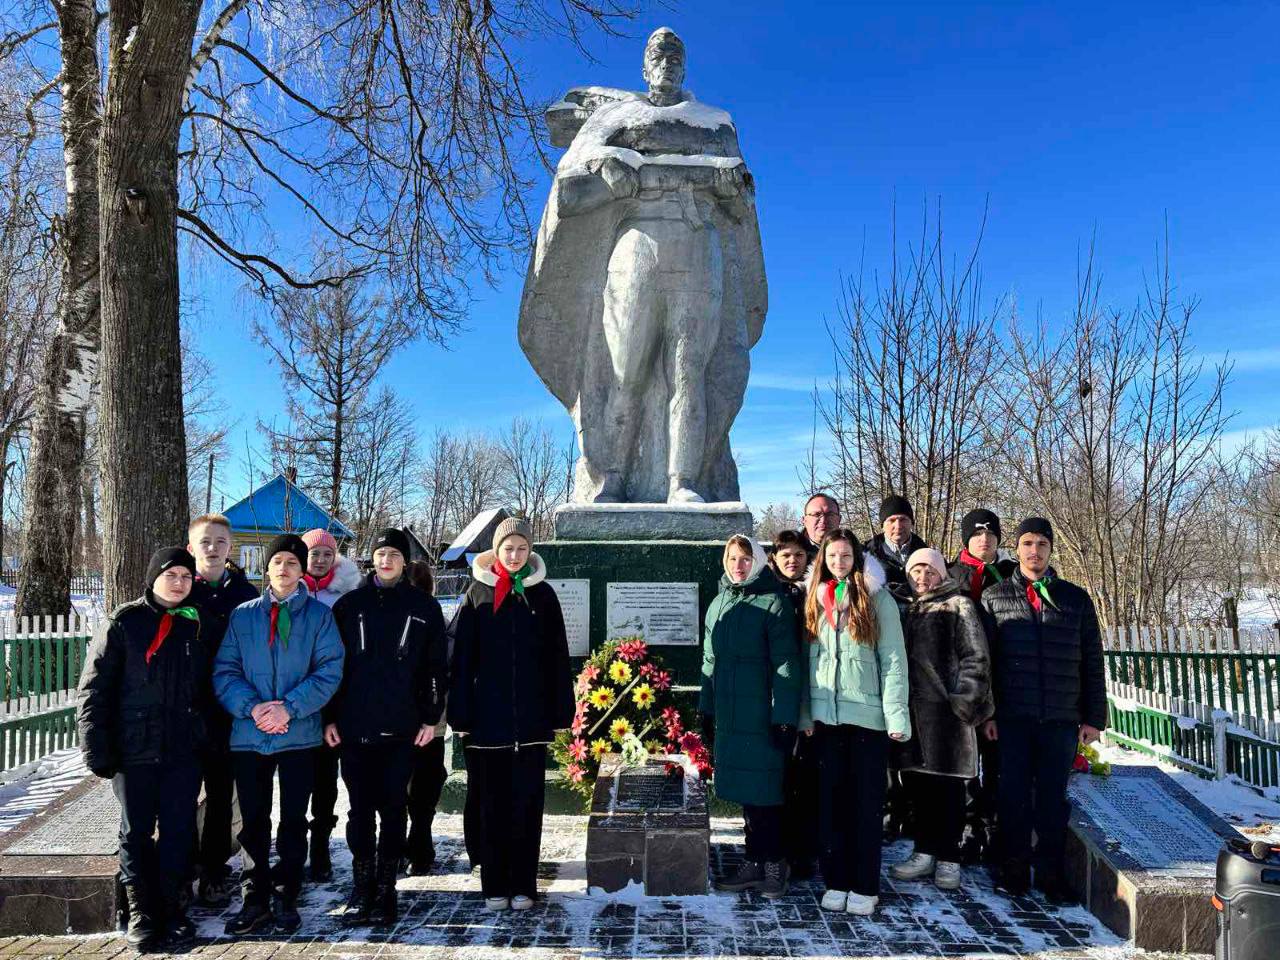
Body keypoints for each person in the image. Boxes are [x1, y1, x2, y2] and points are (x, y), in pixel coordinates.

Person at [77, 548, 209, 952]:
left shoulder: (196, 624)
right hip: (134, 749)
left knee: (177, 831)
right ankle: (141, 911)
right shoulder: (124, 622)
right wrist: (94, 744)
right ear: (154, 578)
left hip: (182, 750)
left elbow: (209, 686)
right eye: (172, 575)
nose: (179, 583)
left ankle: (171, 907)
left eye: (187, 577)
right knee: (135, 833)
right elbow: (94, 687)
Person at [214, 534, 345, 935]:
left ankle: (287, 892)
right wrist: (254, 709)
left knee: (292, 819)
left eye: (292, 562)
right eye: (278, 562)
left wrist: (289, 707)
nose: (284, 569)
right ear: (266, 569)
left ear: (302, 569)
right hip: (250, 735)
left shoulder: (320, 618)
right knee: (253, 819)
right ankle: (254, 897)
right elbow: (225, 670)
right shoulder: (243, 616)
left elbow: (329, 669)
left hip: (298, 735)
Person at [448, 518, 574, 911]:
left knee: (527, 805)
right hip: (488, 724)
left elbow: (557, 655)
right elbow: (461, 659)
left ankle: (524, 884)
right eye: (508, 548)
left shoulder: (544, 596)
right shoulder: (478, 594)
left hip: (531, 724)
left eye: (522, 548)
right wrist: (461, 713)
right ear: (496, 551)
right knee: (492, 806)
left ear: (530, 551)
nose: (515, 555)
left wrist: (559, 709)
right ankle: (494, 886)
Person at [981, 517, 1107, 903]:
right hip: (1012, 719)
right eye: (1027, 544)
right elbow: (984, 662)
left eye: (1041, 544)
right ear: (1015, 550)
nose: (1034, 551)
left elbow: (1092, 659)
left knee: (1053, 801)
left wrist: (1094, 717)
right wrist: (987, 713)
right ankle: (1013, 870)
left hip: (1060, 718)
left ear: (1051, 550)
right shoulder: (995, 598)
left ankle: (1051, 875)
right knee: (1013, 797)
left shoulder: (1075, 598)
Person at [327, 529, 448, 926]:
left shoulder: (424, 607)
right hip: (354, 726)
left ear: (406, 561)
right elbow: (332, 668)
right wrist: (329, 716)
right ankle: (362, 887)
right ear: (371, 560)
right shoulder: (349, 606)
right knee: (360, 811)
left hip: (402, 728)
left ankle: (386, 888)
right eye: (380, 553)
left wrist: (431, 716)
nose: (386, 560)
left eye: (394, 554)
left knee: (395, 809)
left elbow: (435, 667)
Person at [799, 528, 909, 916]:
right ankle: (836, 880)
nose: (839, 564)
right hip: (826, 719)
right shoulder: (815, 600)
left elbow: (893, 661)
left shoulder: (878, 600)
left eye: (846, 557)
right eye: (832, 557)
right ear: (823, 561)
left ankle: (864, 884)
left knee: (864, 806)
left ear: (857, 559)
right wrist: (804, 714)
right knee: (831, 805)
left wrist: (896, 715)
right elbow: (805, 661)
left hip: (867, 720)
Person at [703, 534, 801, 898]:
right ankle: (754, 860)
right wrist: (706, 708)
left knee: (768, 791)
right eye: (732, 559)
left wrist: (784, 716)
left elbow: (786, 665)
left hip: (762, 713)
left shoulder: (774, 603)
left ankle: (775, 863)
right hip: (730, 714)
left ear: (758, 561)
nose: (738, 565)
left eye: (745, 559)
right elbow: (709, 661)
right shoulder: (718, 604)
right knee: (748, 792)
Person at [888, 548, 992, 892]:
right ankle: (924, 851)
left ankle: (949, 857)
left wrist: (963, 703)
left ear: (941, 573)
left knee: (948, 790)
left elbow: (975, 657)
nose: (922, 578)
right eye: (916, 572)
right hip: (914, 716)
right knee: (920, 787)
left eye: (929, 572)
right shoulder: (904, 606)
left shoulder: (959, 605)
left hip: (947, 718)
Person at [186, 514, 260, 906]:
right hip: (185, 710)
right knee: (181, 798)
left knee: (220, 795)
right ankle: (181, 871)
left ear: (230, 548)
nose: (212, 548)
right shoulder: (180, 590)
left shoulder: (245, 595)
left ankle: (214, 870)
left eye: (220, 542)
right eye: (205, 542)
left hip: (228, 710)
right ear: (191, 548)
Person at [946, 508, 1016, 865]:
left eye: (990, 533)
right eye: (977, 533)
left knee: (998, 762)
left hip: (1003, 682)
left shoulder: (1012, 575)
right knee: (965, 765)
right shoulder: (949, 573)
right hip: (962, 683)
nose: (984, 539)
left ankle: (994, 830)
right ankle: (968, 831)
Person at [300, 527, 361, 882]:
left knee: (330, 778)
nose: (320, 560)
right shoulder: (296, 591)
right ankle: (306, 844)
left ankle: (322, 843)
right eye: (314, 554)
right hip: (302, 695)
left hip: (340, 694)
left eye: (327, 554)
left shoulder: (349, 593)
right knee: (306, 777)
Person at [768, 530, 819, 880]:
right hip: (776, 697)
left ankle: (803, 852)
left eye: (799, 554)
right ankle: (777, 850)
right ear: (774, 558)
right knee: (778, 778)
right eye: (785, 554)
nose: (792, 560)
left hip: (813, 695)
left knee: (807, 780)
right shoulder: (766, 594)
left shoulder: (817, 593)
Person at [863, 495, 928, 609]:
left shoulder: (927, 554)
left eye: (903, 519)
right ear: (882, 525)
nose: (898, 526)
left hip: (919, 618)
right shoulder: (866, 555)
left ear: (912, 523)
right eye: (891, 520)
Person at [799, 493, 841, 562]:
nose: (823, 520)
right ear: (804, 521)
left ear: (839, 519)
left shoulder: (857, 554)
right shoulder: (789, 555)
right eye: (816, 514)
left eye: (830, 515)